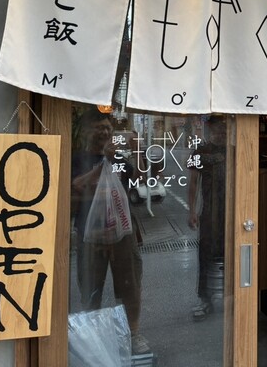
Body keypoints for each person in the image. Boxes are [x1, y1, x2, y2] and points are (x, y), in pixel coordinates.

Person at [71, 108, 150, 355]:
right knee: (90, 287)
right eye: (99, 128)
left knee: (130, 285)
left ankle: (133, 333)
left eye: (107, 128)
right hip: (90, 234)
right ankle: (92, 339)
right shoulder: (77, 159)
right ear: (87, 132)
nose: (105, 132)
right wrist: (103, 163)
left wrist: (138, 150)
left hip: (122, 232)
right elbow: (76, 185)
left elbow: (140, 178)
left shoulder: (118, 160)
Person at [187, 116, 226, 321]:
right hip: (209, 212)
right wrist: (192, 211)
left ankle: (233, 297)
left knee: (231, 254)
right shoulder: (200, 152)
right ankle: (205, 299)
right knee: (206, 254)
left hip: (231, 212)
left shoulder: (233, 150)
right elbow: (193, 182)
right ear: (209, 130)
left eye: (223, 130)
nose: (220, 133)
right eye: (217, 129)